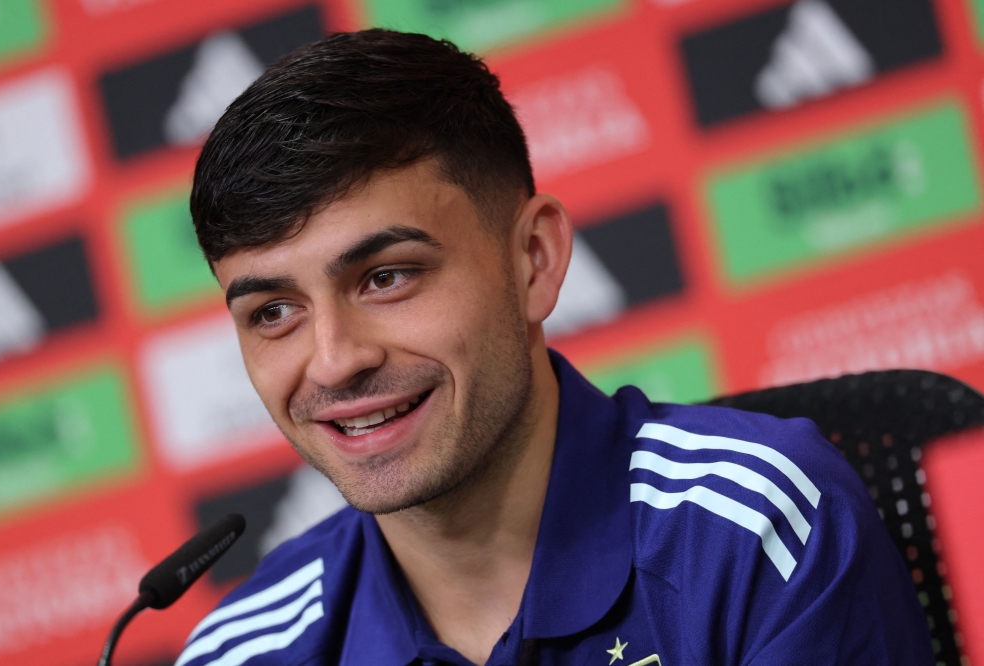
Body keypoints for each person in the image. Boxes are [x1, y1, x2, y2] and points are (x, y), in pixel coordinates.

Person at [175, 29, 933, 666]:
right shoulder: (238, 654)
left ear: (533, 259)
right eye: (273, 311)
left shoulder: (754, 531)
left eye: (387, 277)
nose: (336, 360)